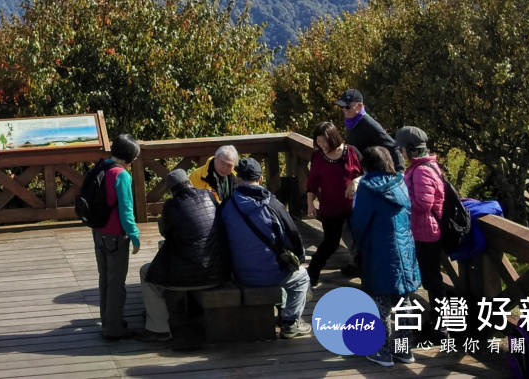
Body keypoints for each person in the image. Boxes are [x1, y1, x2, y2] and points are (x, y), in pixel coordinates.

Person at [218, 157, 311, 339]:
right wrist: (299, 258)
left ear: (238, 179)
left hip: (238, 273)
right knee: (301, 277)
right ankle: (290, 323)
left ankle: (281, 308)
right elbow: (292, 236)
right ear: (260, 179)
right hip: (270, 274)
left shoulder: (227, 205)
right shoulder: (273, 204)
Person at [135, 169, 229, 343]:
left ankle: (158, 328)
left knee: (148, 273)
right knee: (176, 269)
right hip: (219, 272)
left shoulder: (171, 206)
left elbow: (165, 232)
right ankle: (163, 314)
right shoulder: (209, 196)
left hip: (193, 275)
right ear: (190, 183)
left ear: (171, 191)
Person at [351, 146, 420, 367]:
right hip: (404, 249)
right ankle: (404, 350)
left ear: (367, 165)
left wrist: (357, 247)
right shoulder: (401, 182)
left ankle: (381, 351)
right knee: (404, 300)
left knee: (379, 300)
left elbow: (359, 221)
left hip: (378, 249)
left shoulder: (367, 187)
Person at [93, 134, 142, 341]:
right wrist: (135, 236)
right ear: (130, 159)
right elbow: (126, 211)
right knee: (116, 284)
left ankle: (108, 320)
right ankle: (114, 330)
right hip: (115, 237)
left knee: (105, 279)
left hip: (98, 233)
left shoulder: (100, 167)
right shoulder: (122, 175)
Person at [305, 121, 362, 287]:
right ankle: (312, 273)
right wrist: (310, 204)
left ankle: (365, 274)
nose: (321, 145)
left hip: (354, 206)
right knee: (331, 243)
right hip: (330, 207)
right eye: (318, 141)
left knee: (360, 241)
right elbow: (312, 183)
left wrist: (355, 181)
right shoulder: (318, 156)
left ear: (333, 138)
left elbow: (366, 174)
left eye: (324, 141)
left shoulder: (351, 151)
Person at [395, 125, 448, 302]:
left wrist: (401, 197)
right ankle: (438, 320)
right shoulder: (426, 165)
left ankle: (442, 325)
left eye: (401, 147)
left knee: (432, 280)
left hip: (427, 233)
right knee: (431, 279)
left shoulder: (421, 170)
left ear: (410, 148)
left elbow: (424, 204)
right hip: (425, 230)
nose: (400, 152)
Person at [335, 88, 404, 171]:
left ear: (360, 106)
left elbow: (393, 147)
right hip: (361, 172)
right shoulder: (350, 121)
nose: (344, 109)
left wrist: (400, 172)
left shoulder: (369, 124)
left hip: (375, 175)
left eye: (347, 106)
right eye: (341, 106)